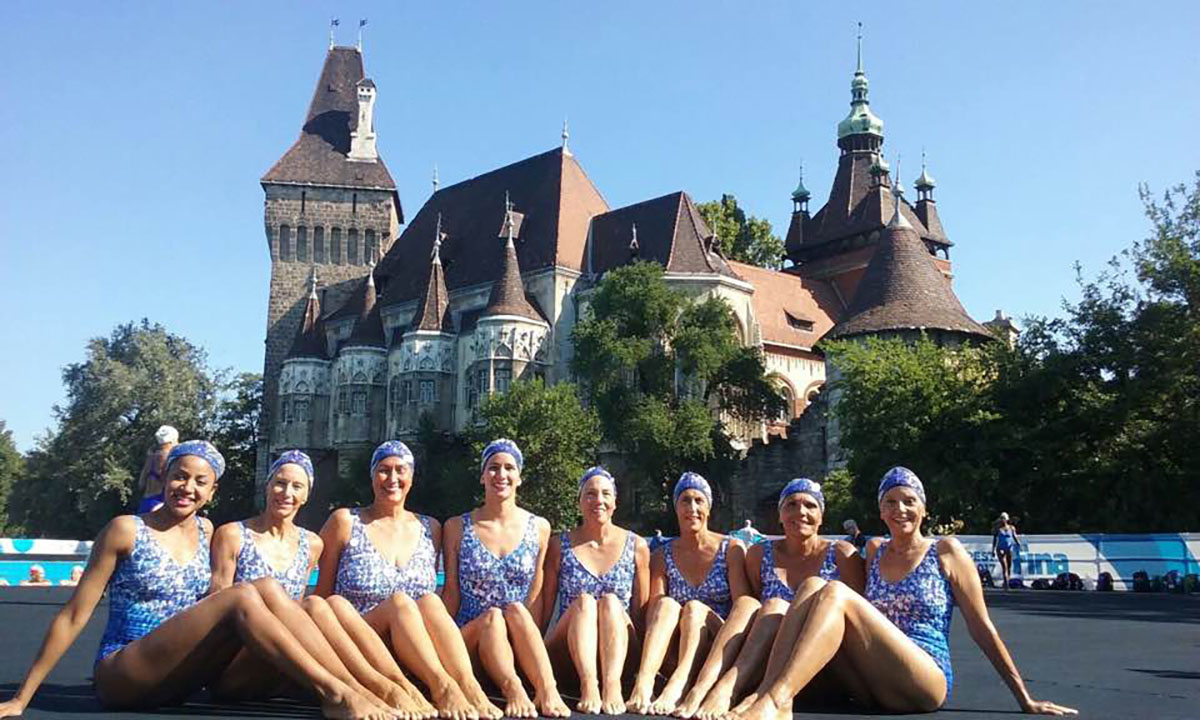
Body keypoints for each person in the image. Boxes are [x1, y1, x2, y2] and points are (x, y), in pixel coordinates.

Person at [0, 440, 395, 720]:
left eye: (199, 482)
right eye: (179, 477)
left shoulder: (208, 532)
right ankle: (335, 692)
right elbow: (74, 615)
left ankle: (360, 688)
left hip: (182, 679)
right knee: (243, 595)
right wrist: (22, 698)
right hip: (126, 672)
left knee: (270, 590)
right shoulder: (127, 530)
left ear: (212, 490)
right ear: (164, 477)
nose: (187, 488)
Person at [727, 467, 1077, 719]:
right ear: (880, 511)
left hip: (923, 678)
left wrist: (1024, 698)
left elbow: (982, 627)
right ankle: (766, 693)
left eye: (909, 501)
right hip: (872, 682)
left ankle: (776, 699)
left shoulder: (945, 551)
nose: (900, 510)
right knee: (813, 586)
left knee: (832, 590)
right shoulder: (874, 551)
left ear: (923, 507)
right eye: (890, 502)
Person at [212, 449, 433, 718]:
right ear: (267, 486)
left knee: (317, 605)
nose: (286, 493)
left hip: (289, 664)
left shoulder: (310, 544)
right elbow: (218, 612)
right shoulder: (233, 534)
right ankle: (359, 691)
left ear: (306, 495)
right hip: (244, 656)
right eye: (280, 483)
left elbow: (306, 607)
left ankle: (382, 687)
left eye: (297, 486)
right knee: (311, 603)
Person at [317, 441, 500, 720]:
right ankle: (442, 686)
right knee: (400, 603)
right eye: (383, 470)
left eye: (400, 470)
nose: (392, 478)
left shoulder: (430, 528)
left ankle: (467, 685)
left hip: (413, 652)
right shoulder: (345, 521)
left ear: (411, 477)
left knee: (429, 601)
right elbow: (322, 597)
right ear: (372, 476)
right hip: (359, 643)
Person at [674, 478, 863, 719]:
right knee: (753, 605)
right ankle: (717, 688)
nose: (801, 512)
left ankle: (753, 693)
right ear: (780, 515)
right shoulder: (759, 555)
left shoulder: (843, 555)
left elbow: (855, 619)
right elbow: (753, 618)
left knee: (783, 601)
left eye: (810, 505)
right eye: (791, 505)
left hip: (823, 664)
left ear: (821, 516)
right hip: (768, 663)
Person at [441, 439, 571, 719]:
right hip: (471, 640)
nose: (501, 474)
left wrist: (529, 647)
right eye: (493, 468)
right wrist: (441, 649)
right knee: (492, 618)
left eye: (509, 468)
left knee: (516, 610)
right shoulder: (457, 527)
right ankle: (514, 689)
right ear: (482, 476)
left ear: (519, 477)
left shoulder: (539, 527)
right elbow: (450, 593)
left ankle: (547, 688)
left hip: (515, 636)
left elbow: (535, 596)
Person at [628, 472, 749, 715]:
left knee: (694, 609)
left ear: (708, 508)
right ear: (676, 508)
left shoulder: (731, 549)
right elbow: (654, 613)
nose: (692, 508)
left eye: (698, 500)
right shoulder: (661, 556)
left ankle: (680, 684)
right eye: (685, 500)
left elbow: (742, 609)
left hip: (718, 644)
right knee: (665, 604)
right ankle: (644, 682)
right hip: (678, 642)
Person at [540, 466, 651, 714]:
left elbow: (640, 615)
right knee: (585, 602)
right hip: (571, 651)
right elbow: (545, 611)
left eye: (605, 494)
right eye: (590, 494)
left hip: (620, 651)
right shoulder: (559, 546)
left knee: (610, 602)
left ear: (615, 502)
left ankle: (611, 684)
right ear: (579, 502)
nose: (598, 500)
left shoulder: (637, 546)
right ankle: (588, 683)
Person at [135, 425, 178, 513]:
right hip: (159, 504)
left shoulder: (151, 457)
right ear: (171, 441)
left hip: (146, 501)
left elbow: (141, 484)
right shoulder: (170, 458)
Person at [993, 512, 1022, 590]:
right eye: (1001, 518)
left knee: (1009, 567)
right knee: (1004, 567)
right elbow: (995, 540)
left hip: (1009, 549)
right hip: (1001, 549)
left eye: (1004, 518)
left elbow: (1015, 537)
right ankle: (1006, 584)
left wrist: (1019, 544)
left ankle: (1006, 582)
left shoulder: (1011, 528)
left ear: (1007, 519)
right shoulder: (998, 529)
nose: (1002, 520)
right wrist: (993, 550)